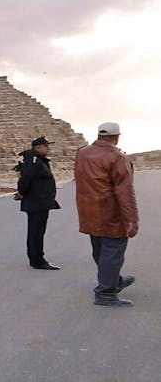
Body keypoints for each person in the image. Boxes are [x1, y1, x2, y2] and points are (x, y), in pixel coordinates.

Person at [74, 122, 138, 306]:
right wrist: (132, 219)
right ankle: (106, 293)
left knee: (100, 249)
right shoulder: (117, 157)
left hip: (88, 211)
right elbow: (124, 191)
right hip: (111, 214)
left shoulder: (82, 153)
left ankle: (114, 281)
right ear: (117, 137)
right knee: (113, 252)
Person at [15, 136, 61, 270]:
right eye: (46, 146)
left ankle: (36, 258)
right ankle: (38, 261)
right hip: (37, 202)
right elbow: (26, 179)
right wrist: (21, 192)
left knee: (37, 231)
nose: (48, 148)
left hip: (40, 202)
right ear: (38, 147)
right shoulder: (34, 161)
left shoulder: (38, 160)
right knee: (36, 232)